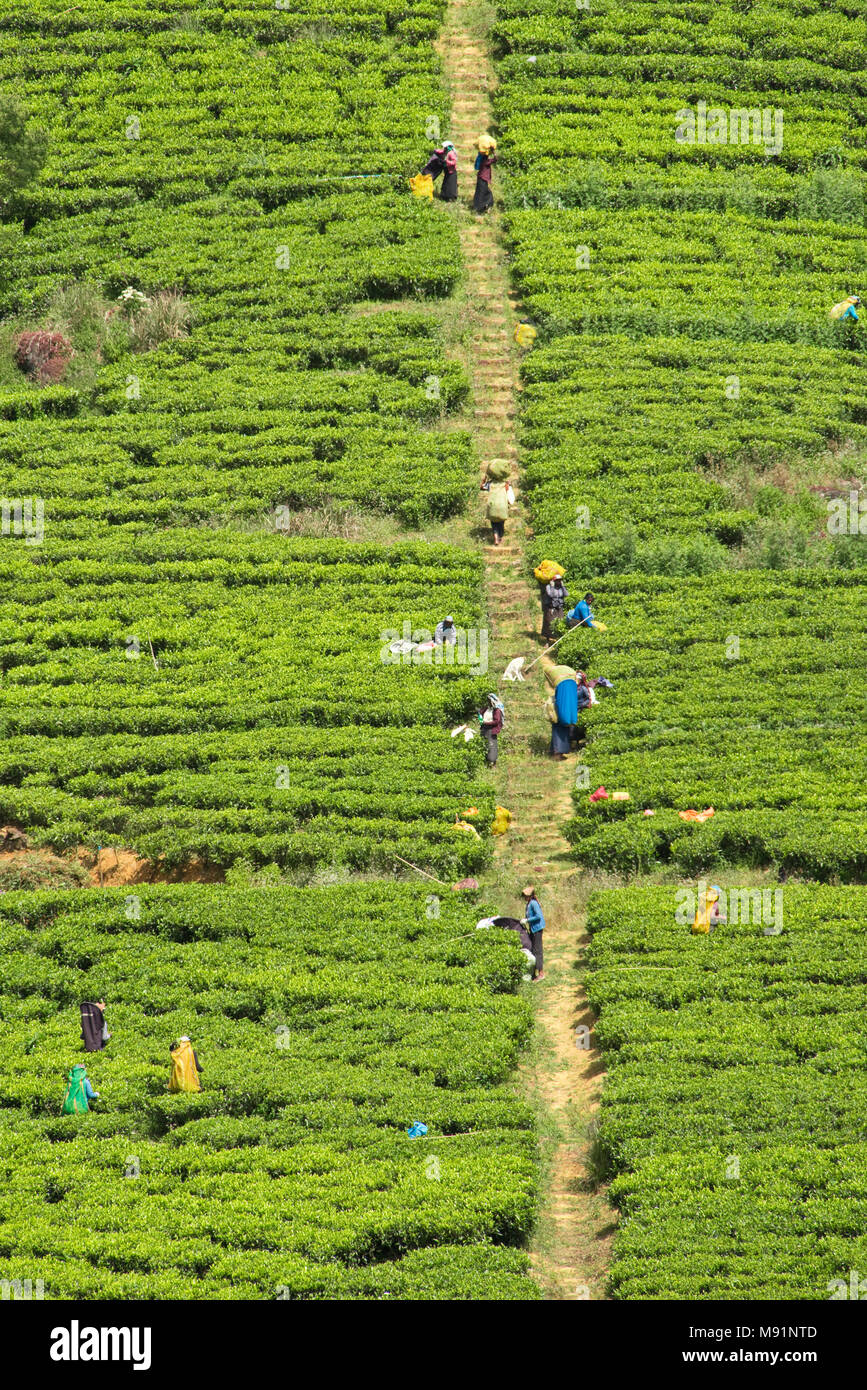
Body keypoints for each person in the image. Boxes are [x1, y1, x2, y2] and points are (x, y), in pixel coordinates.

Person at [542, 656, 591, 758]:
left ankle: (554, 751)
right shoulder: (569, 686)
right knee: (560, 731)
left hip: (561, 712)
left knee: (558, 730)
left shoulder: (565, 686)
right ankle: (557, 754)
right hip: (562, 713)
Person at [481, 459, 512, 545]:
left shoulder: (490, 483)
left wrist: (484, 479)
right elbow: (509, 493)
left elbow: (482, 487)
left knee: (494, 523)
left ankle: (495, 538)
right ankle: (500, 537)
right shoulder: (505, 484)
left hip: (492, 505)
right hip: (502, 506)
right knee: (501, 523)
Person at [521, 887, 545, 981]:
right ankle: (534, 972)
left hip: (537, 929)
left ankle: (541, 973)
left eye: (526, 896)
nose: (525, 898)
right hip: (533, 929)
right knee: (533, 950)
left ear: (530, 896)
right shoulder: (529, 904)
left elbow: (538, 916)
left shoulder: (534, 903)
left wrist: (527, 920)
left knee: (538, 951)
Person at [473, 136, 497, 214]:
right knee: (484, 193)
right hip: (483, 178)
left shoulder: (483, 159)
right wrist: (493, 151)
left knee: (481, 192)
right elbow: (495, 159)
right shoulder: (485, 161)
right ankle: (481, 207)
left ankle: (480, 207)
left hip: (482, 178)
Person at [478, 693, 504, 765]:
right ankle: (485, 761)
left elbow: (496, 721)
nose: (488, 702)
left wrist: (485, 723)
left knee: (492, 746)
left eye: (489, 701)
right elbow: (480, 713)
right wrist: (479, 715)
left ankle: (493, 762)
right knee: (484, 745)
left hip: (491, 730)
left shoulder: (497, 711)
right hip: (484, 729)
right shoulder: (486, 709)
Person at [540, 572, 567, 640]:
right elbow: (551, 595)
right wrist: (552, 586)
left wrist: (563, 586)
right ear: (554, 581)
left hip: (559, 607)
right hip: (550, 607)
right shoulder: (548, 587)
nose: (559, 582)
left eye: (560, 580)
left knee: (560, 622)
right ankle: (547, 639)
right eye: (557, 580)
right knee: (549, 623)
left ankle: (558, 638)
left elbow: (566, 594)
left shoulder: (561, 587)